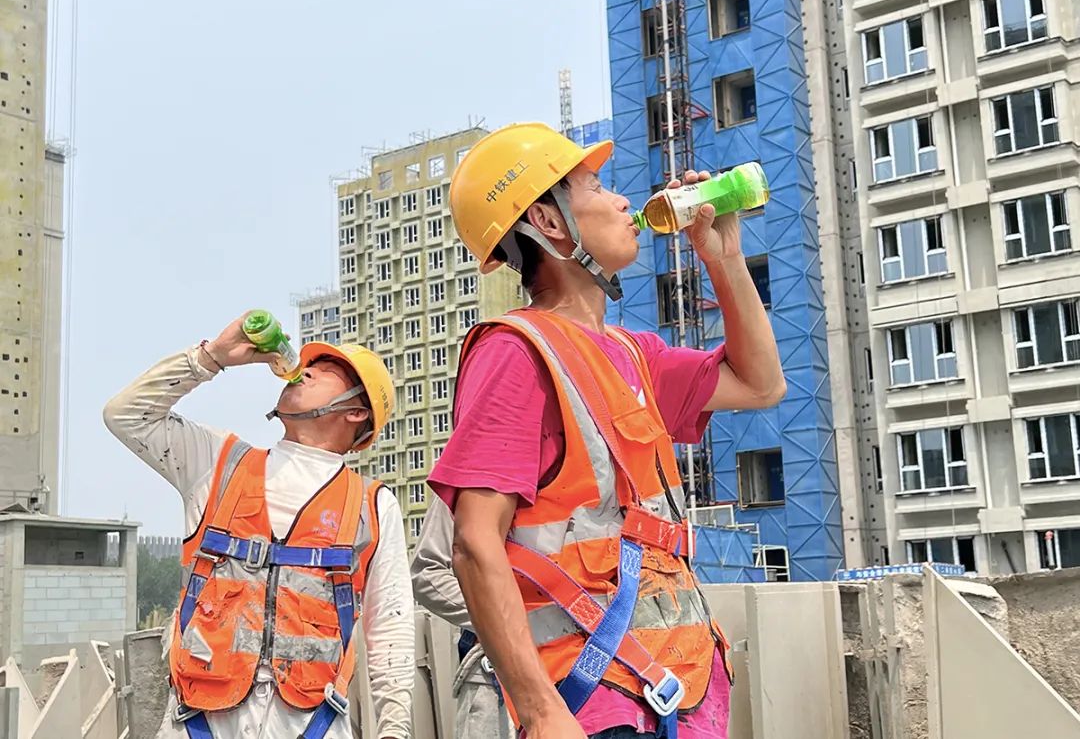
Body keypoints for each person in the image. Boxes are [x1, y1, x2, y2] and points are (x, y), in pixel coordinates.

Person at [428, 123, 786, 739]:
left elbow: (760, 385)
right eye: (594, 184)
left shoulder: (630, 353)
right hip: (596, 700)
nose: (623, 200)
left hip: (682, 686)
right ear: (549, 220)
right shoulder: (517, 352)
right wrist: (541, 712)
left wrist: (724, 260)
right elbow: (473, 544)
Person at [103, 315, 414, 739]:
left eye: (325, 372)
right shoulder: (217, 466)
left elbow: (390, 631)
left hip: (313, 726)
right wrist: (211, 357)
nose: (303, 370)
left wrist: (394, 732)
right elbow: (125, 415)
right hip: (197, 723)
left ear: (356, 411)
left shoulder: (371, 506)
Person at [410, 496, 514, 739]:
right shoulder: (470, 475)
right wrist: (502, 617)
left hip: (582, 669)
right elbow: (427, 573)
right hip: (493, 676)